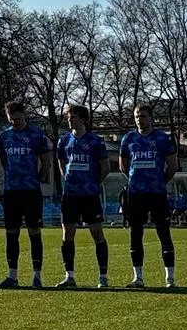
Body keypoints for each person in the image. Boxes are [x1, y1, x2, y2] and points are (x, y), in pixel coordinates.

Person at [119, 105, 179, 289]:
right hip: (136, 194)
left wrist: (160, 182)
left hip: (157, 193)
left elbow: (173, 166)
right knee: (135, 233)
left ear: (151, 118)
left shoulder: (162, 138)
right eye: (137, 116)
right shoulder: (128, 138)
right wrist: (135, 181)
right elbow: (123, 165)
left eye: (143, 116)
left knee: (164, 232)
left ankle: (170, 279)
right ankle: (138, 277)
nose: (140, 120)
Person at [56, 103, 111, 289]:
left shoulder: (95, 141)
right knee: (68, 234)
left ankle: (103, 277)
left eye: (74, 117)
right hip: (70, 195)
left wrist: (93, 183)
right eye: (68, 117)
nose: (70, 120)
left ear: (83, 119)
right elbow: (61, 163)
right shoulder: (64, 141)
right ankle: (69, 276)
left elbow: (105, 167)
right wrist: (69, 180)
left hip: (89, 195)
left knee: (97, 233)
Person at [0, 101, 51, 287]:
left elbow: (46, 163)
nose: (15, 123)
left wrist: (36, 180)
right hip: (11, 192)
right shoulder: (4, 137)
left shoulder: (36, 135)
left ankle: (37, 276)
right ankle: (12, 276)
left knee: (34, 231)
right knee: (11, 233)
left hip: (31, 192)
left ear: (24, 115)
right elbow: (4, 161)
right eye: (11, 120)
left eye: (18, 119)